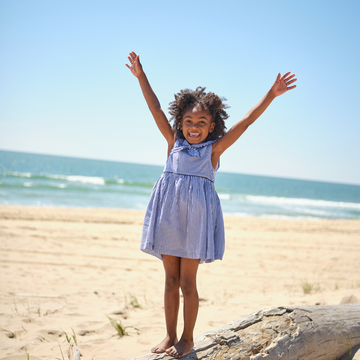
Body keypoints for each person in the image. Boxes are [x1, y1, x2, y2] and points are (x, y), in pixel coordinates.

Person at [125, 51, 297, 358]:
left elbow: (245, 123)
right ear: (181, 122)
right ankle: (169, 334)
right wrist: (141, 76)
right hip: (168, 218)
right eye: (188, 121)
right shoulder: (172, 143)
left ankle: (188, 338)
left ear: (211, 125)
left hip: (194, 223)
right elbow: (154, 108)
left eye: (201, 122)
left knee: (188, 282)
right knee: (170, 280)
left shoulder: (213, 151)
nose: (194, 126)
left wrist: (271, 94)